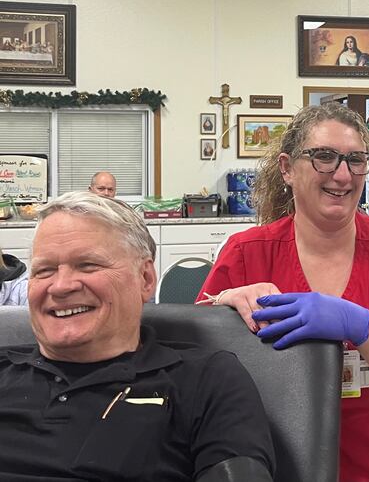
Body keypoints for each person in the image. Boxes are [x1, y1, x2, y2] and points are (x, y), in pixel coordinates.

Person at [197, 103, 369, 482]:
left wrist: (362, 325)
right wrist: (223, 304)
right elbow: (192, 377)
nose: (342, 174)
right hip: (279, 467)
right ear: (287, 168)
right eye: (324, 157)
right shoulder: (246, 253)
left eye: (356, 159)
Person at [0, 192, 275, 481]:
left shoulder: (205, 379)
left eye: (88, 265)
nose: (60, 286)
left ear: (145, 279)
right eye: (44, 270)